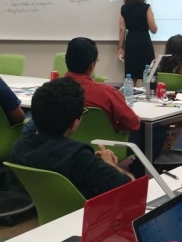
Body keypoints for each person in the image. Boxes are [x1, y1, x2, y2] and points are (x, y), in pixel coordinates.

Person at [10, 77, 133, 199]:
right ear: (74, 123)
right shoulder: (79, 157)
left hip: (45, 209)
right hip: (83, 211)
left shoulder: (19, 147)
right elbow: (131, 188)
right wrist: (110, 165)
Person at [64, 37, 167, 177]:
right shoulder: (106, 92)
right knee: (156, 132)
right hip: (108, 145)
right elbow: (133, 124)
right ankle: (137, 174)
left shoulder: (54, 88)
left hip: (67, 143)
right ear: (92, 65)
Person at [118, 0, 158, 83]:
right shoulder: (146, 8)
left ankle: (131, 93)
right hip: (144, 41)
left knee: (131, 76)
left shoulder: (124, 8)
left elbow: (122, 30)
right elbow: (154, 29)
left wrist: (121, 48)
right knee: (148, 75)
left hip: (131, 42)